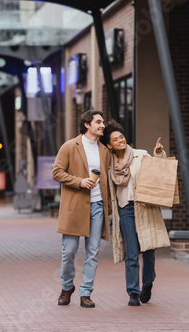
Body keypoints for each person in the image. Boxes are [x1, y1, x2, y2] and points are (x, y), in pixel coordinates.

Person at [103, 119, 170, 306]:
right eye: (115, 139)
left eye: (121, 137)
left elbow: (158, 171)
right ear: (109, 145)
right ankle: (133, 292)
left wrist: (159, 153)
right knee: (132, 252)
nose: (120, 140)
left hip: (145, 207)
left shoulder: (140, 155)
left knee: (149, 249)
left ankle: (147, 283)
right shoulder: (110, 165)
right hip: (125, 210)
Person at [52, 110, 112, 308]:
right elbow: (57, 172)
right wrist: (79, 181)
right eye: (98, 122)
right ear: (87, 124)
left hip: (97, 207)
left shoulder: (104, 151)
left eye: (102, 122)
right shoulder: (70, 146)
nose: (102, 125)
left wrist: (108, 208)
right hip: (74, 207)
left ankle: (86, 292)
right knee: (68, 251)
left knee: (93, 252)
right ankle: (66, 286)